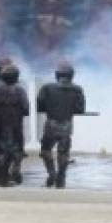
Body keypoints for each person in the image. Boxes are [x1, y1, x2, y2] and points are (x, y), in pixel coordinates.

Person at [37, 61, 86, 189]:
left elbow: (40, 106)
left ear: (57, 75)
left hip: (51, 124)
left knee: (45, 150)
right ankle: (61, 176)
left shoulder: (47, 88)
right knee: (63, 153)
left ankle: (52, 172)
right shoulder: (77, 90)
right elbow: (80, 109)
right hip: (66, 125)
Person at [0, 62, 30, 187]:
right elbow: (26, 109)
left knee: (1, 150)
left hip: (1, 125)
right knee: (18, 148)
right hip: (16, 124)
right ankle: (16, 168)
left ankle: (3, 175)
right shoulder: (20, 91)